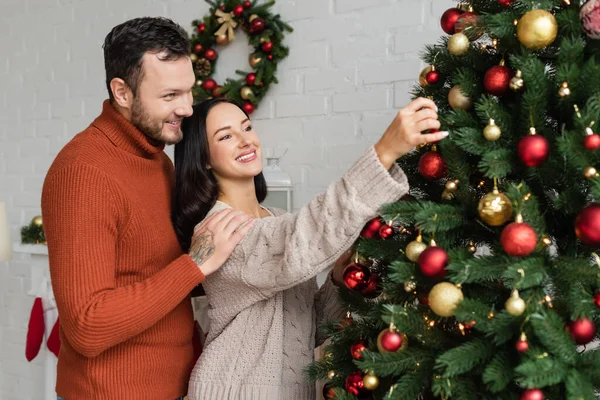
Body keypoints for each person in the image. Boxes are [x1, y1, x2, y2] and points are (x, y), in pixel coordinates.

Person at [171, 96, 447, 399]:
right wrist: (384, 153)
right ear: (205, 157)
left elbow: (308, 325)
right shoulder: (216, 230)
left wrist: (339, 279)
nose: (245, 141)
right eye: (225, 136)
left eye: (246, 128)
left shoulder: (276, 220)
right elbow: (299, 239)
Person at [41, 17, 253, 400]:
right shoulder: (83, 173)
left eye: (189, 91)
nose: (188, 109)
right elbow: (87, 326)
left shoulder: (159, 160)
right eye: (170, 96)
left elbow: (158, 280)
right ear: (122, 92)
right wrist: (195, 264)